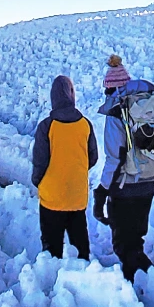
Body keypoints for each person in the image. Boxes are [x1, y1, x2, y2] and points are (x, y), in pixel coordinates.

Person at [94, 79, 154, 281]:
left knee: (123, 244)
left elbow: (115, 157)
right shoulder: (150, 105)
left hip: (125, 187)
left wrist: (102, 192)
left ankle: (145, 286)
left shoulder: (118, 112)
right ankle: (144, 283)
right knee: (136, 239)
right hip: (150, 181)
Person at [31, 76, 98, 260]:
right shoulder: (85, 124)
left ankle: (53, 277)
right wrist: (76, 171)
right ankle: (85, 273)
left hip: (51, 197)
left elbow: (40, 161)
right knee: (80, 243)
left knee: (52, 248)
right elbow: (93, 157)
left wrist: (39, 182)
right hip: (77, 196)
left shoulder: (47, 126)